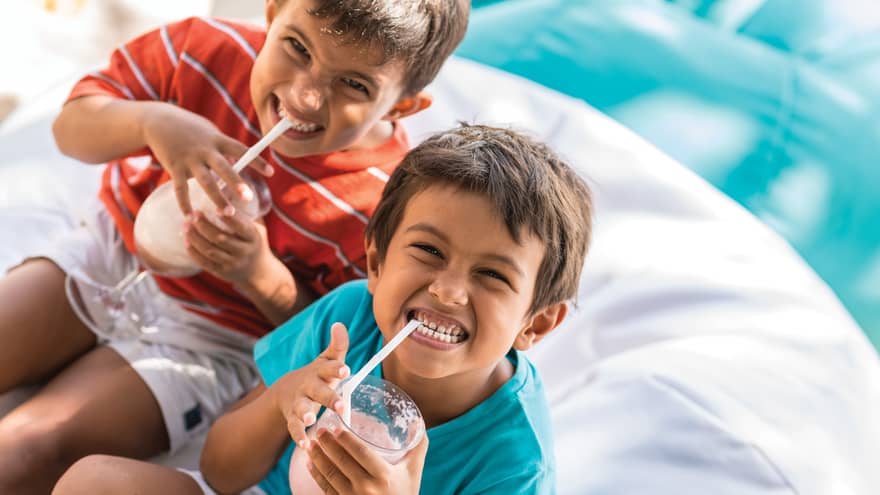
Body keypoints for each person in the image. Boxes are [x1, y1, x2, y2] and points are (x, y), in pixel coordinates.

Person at [0, 0, 469, 492]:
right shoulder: (202, 51)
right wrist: (150, 123)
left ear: (401, 105)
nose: (305, 96)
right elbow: (70, 129)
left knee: (29, 450)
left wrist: (257, 273)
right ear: (273, 12)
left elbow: (338, 338)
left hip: (213, 339)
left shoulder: (389, 206)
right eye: (297, 47)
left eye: (354, 84)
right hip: (111, 253)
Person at [53, 123, 594, 494]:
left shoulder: (514, 458)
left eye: (493, 276)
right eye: (429, 251)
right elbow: (220, 471)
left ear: (536, 323)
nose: (449, 292)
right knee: (92, 481)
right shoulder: (349, 319)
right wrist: (283, 399)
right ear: (376, 264)